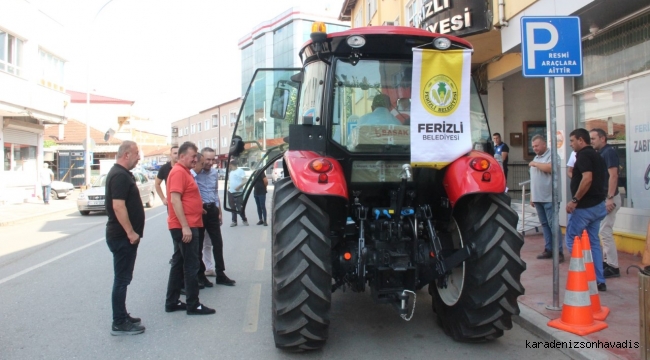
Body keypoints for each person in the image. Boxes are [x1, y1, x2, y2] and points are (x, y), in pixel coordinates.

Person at [165, 141, 215, 315]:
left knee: (178, 264)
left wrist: (197, 207)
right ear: (182, 156)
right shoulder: (179, 172)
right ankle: (193, 304)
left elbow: (186, 198)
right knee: (191, 265)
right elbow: (175, 200)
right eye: (193, 156)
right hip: (185, 227)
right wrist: (185, 227)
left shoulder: (184, 172)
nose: (196, 159)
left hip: (188, 223)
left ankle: (171, 301)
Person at [105, 141, 146, 335]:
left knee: (124, 279)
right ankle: (119, 322)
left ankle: (122, 314)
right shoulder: (119, 175)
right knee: (121, 279)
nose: (139, 157)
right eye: (137, 154)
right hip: (122, 237)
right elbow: (118, 207)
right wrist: (130, 232)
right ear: (127, 154)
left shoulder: (121, 174)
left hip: (124, 237)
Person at [565, 128, 608, 291]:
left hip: (585, 207)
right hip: (598, 205)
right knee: (594, 242)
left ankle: (582, 276)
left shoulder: (583, 155)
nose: (571, 144)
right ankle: (599, 280)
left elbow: (587, 178)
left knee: (571, 239)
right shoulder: (598, 155)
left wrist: (575, 200)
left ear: (581, 140)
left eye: (572, 141)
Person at [196, 147, 236, 286]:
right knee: (199, 245)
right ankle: (201, 275)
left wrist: (219, 211)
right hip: (200, 212)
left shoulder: (214, 173)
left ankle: (220, 274)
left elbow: (214, 192)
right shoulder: (195, 173)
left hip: (212, 210)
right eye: (208, 159)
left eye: (213, 159)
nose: (210, 162)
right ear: (201, 158)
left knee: (217, 243)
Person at [590, 128, 621, 278]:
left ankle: (613, 266)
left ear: (602, 138)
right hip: (605, 197)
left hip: (610, 198)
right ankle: (607, 262)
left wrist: (609, 198)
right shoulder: (600, 153)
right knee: (603, 230)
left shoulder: (608, 152)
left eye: (593, 138)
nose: (591, 141)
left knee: (605, 230)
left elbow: (613, 175)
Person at [529, 135, 564, 263]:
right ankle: (549, 249)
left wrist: (535, 164)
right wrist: (533, 196)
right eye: (533, 146)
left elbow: (551, 168)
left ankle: (558, 251)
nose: (535, 148)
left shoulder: (552, 156)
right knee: (544, 225)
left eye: (537, 146)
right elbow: (534, 179)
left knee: (553, 224)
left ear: (544, 144)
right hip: (538, 198)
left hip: (550, 198)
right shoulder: (536, 157)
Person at [228, 159, 249, 227]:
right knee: (232, 207)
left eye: (230, 165)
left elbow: (245, 180)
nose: (229, 166)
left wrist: (239, 186)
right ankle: (234, 221)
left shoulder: (240, 171)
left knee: (239, 207)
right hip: (231, 191)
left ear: (232, 165)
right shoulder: (231, 172)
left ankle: (244, 219)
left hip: (238, 192)